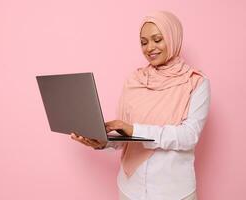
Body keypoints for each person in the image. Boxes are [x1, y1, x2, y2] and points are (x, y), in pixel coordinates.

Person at [71, 10, 210, 200]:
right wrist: (104, 142)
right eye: (144, 42)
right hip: (130, 189)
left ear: (173, 36)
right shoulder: (134, 80)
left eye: (157, 39)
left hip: (174, 192)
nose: (149, 48)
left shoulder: (196, 82)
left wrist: (134, 129)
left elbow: (189, 136)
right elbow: (126, 137)